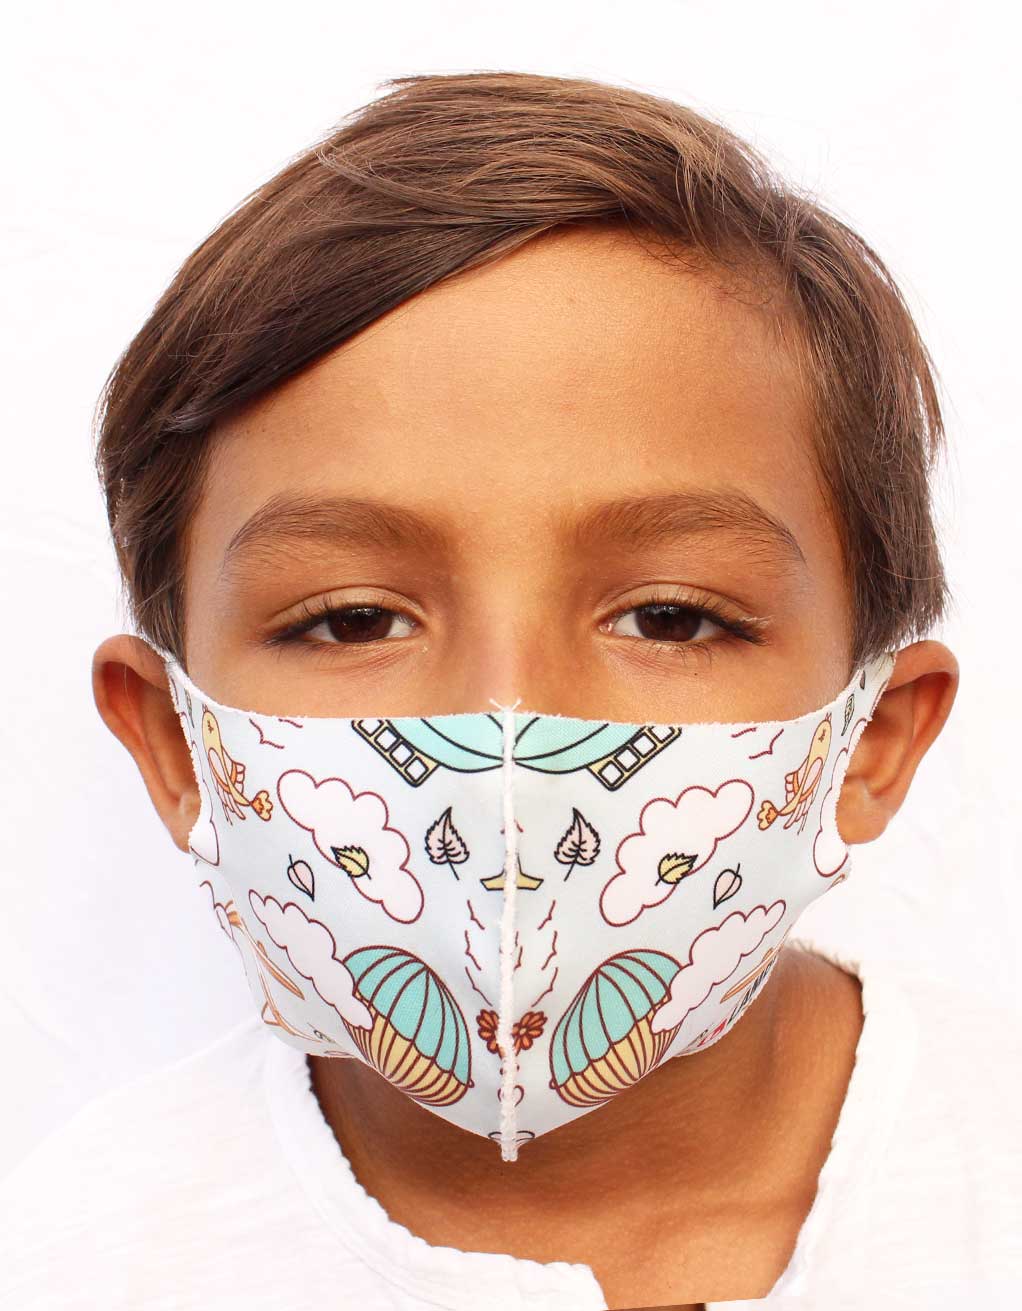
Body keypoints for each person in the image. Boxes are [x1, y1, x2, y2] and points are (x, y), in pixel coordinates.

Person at [1, 70, 1018, 1311]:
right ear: (175, 744)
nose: (508, 733)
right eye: (354, 619)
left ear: (871, 742)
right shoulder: (75, 1266)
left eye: (668, 617)